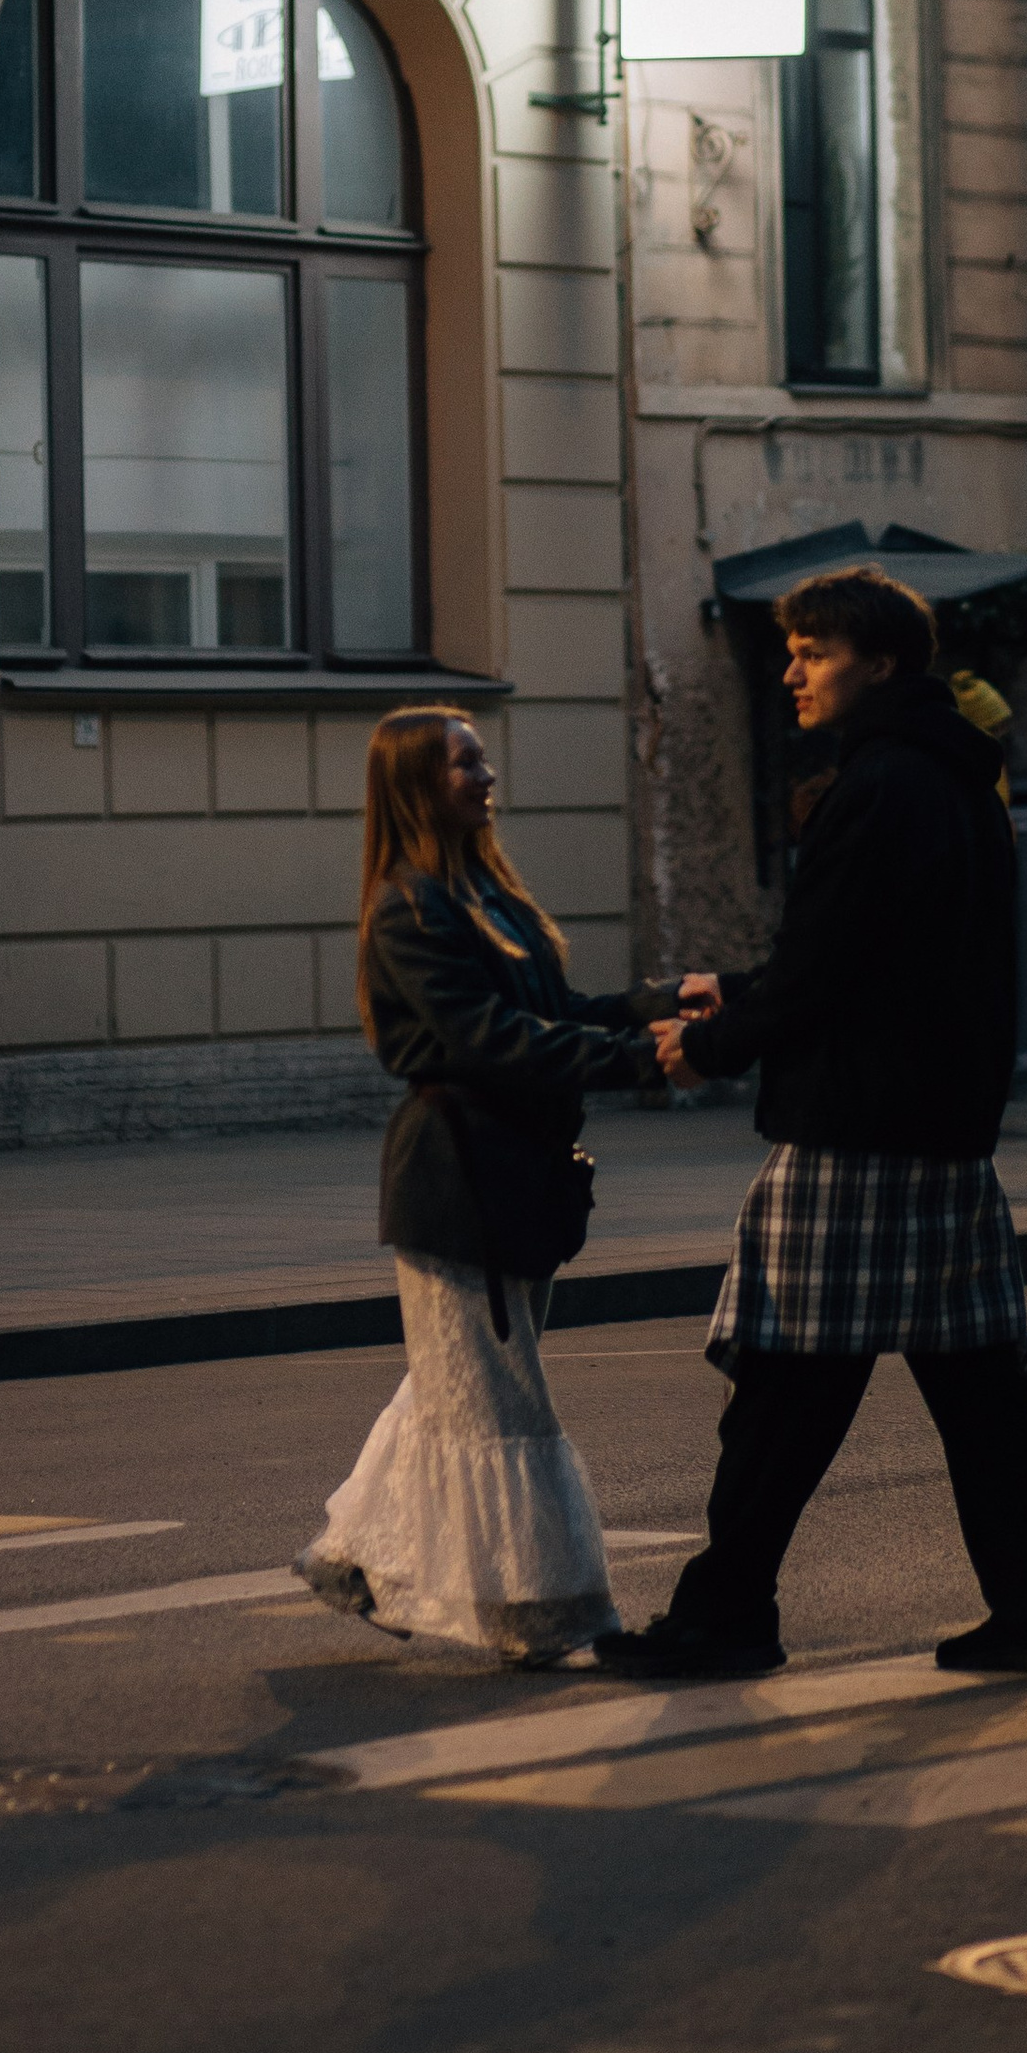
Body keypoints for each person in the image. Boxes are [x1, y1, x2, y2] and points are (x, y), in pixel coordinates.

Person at [596, 566, 1027, 1686]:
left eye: (813, 653)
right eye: (791, 652)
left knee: (784, 1385)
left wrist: (714, 1045)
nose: (792, 673)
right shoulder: (956, 778)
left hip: (858, 1131)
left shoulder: (879, 785)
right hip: (940, 1131)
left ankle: (726, 1615)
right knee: (977, 1391)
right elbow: (881, 955)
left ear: (880, 662)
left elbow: (830, 965)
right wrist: (739, 988)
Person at [297, 706, 661, 1666]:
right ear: (417, 783)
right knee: (502, 1404)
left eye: (483, 759)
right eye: (464, 763)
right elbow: (490, 1040)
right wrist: (639, 1062)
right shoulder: (408, 909)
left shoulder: (484, 895)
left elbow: (552, 1011)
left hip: (518, 1175)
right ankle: (545, 1614)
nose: (485, 776)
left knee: (457, 1388)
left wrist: (653, 1009)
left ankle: (354, 1559)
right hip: (457, 1180)